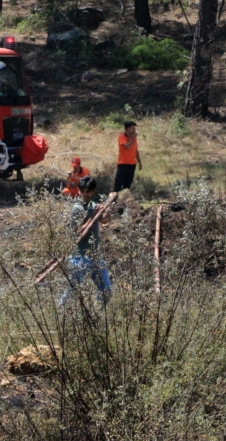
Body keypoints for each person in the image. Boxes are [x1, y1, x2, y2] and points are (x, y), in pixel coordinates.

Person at [60, 176, 112, 307]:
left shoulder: (94, 206)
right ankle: (61, 311)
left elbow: (104, 220)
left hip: (94, 255)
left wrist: (105, 212)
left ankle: (99, 313)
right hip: (80, 257)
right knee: (73, 290)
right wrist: (93, 216)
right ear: (78, 190)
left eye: (88, 191)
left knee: (106, 290)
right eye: (82, 191)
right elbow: (78, 232)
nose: (84, 194)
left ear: (93, 191)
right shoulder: (77, 209)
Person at [114, 121, 143, 192]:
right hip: (123, 164)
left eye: (134, 128)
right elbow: (127, 147)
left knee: (127, 185)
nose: (134, 130)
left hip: (132, 164)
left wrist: (139, 162)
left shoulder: (134, 139)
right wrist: (132, 138)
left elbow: (135, 150)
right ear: (127, 129)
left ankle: (125, 197)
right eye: (133, 128)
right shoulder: (121, 137)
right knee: (118, 184)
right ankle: (114, 197)